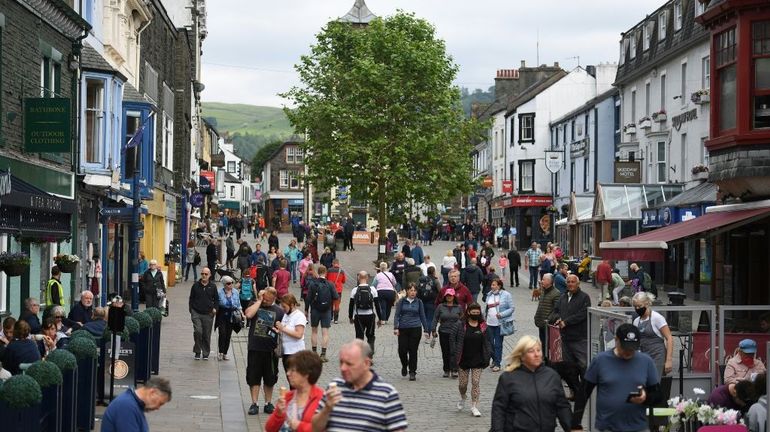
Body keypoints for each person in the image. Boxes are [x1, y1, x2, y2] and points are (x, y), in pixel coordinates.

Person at [311, 339, 408, 432]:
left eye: (349, 364)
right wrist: (327, 409)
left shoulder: (387, 394)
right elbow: (314, 428)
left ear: (366, 363)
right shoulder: (335, 387)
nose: (343, 368)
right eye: (341, 362)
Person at [583, 323, 662, 432]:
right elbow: (584, 392)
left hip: (638, 427)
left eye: (632, 348)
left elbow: (658, 395)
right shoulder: (600, 360)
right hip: (607, 428)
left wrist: (646, 398)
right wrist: (576, 423)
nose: (628, 352)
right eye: (625, 348)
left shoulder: (646, 361)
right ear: (616, 340)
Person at [490, 335, 571, 432]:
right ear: (522, 356)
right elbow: (499, 410)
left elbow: (562, 407)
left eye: (538, 350)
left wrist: (572, 428)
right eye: (531, 351)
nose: (536, 354)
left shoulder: (552, 376)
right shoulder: (508, 378)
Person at [244, 287, 285, 415]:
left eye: (267, 300)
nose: (265, 301)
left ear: (273, 299)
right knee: (253, 377)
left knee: (270, 378)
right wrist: (259, 300)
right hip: (255, 347)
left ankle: (268, 403)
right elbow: (248, 314)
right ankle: (254, 403)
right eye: (264, 298)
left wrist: (279, 331)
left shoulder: (279, 311)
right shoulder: (255, 304)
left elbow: (283, 328)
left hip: (270, 350)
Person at [265, 350, 324, 432]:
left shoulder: (321, 399)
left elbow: (321, 428)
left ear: (306, 374)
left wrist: (299, 426)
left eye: (293, 370)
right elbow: (269, 429)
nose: (288, 373)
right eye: (288, 370)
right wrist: (278, 413)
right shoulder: (288, 397)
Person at [451, 302, 491, 417]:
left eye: (477, 313)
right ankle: (463, 396)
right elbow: (452, 338)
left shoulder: (483, 326)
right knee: (463, 384)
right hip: (463, 358)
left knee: (476, 382)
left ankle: (474, 406)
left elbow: (488, 341)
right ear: (468, 312)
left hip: (478, 359)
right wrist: (454, 353)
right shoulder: (460, 324)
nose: (475, 314)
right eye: (473, 312)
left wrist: (488, 355)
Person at [550, 274, 591, 370]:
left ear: (578, 283)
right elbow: (555, 311)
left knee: (583, 365)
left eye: (573, 282)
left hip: (579, 338)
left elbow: (582, 314)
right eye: (568, 282)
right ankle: (573, 385)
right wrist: (558, 318)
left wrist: (566, 322)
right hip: (565, 337)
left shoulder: (584, 297)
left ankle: (584, 385)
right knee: (568, 366)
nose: (570, 284)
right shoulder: (563, 296)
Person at [101, 377, 172, 432]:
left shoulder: (132, 403)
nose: (158, 408)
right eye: (160, 403)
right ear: (152, 392)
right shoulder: (126, 406)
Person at [632, 292, 674, 378]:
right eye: (635, 306)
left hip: (657, 355)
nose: (637, 308)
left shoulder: (657, 318)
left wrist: (669, 360)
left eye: (639, 306)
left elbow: (669, 338)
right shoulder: (636, 321)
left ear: (647, 303)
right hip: (644, 356)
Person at [394, 283, 429, 381]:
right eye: (411, 290)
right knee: (402, 350)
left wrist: (426, 330)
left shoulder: (419, 302)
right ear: (407, 291)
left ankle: (412, 371)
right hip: (403, 328)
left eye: (414, 290)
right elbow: (397, 315)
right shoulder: (401, 301)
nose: (413, 292)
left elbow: (422, 316)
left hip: (415, 328)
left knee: (413, 351)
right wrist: (396, 327)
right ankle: (405, 365)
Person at [309, 266, 338, 362]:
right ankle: (323, 354)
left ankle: (314, 353)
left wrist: (306, 310)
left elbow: (308, 298)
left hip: (315, 310)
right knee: (325, 333)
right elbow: (336, 296)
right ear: (325, 272)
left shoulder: (313, 284)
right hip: (326, 310)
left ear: (318, 272)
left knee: (314, 332)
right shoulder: (330, 284)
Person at [349, 271, 383, 356]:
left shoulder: (354, 290)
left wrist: (351, 317)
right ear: (367, 278)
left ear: (358, 278)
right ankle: (369, 355)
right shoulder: (373, 290)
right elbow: (377, 305)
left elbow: (351, 305)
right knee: (371, 336)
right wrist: (380, 318)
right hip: (370, 316)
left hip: (358, 316)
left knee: (359, 337)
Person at [432, 289, 464, 378]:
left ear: (454, 296)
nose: (449, 297)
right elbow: (435, 318)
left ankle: (454, 369)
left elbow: (462, 319)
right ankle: (446, 369)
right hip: (444, 332)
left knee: (454, 351)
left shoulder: (459, 307)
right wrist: (433, 330)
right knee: (445, 351)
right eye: (447, 295)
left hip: (456, 332)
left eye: (451, 295)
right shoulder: (440, 306)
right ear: (445, 296)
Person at [484, 279, 514, 371]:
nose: (492, 287)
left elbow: (512, 308)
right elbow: (487, 308)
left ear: (499, 286)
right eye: (491, 285)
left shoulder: (506, 295)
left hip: (499, 324)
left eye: (494, 285)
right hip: (489, 323)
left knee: (498, 344)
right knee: (489, 344)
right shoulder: (489, 294)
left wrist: (502, 314)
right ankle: (494, 359)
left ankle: (497, 363)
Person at [189, 267, 218, 360]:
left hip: (208, 314)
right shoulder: (195, 286)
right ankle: (197, 351)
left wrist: (215, 309)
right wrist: (191, 310)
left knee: (206, 334)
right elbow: (191, 298)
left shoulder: (213, 286)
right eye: (202, 274)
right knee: (198, 331)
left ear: (209, 275)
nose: (204, 276)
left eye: (206, 274)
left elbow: (216, 299)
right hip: (196, 312)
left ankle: (205, 353)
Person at [275, 294, 307, 373]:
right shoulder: (286, 315)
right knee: (290, 379)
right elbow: (285, 330)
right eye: (282, 306)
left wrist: (283, 328)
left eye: (284, 307)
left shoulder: (299, 316)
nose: (283, 309)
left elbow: (299, 334)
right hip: (286, 352)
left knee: (296, 380)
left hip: (295, 353)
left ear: (292, 305)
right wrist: (278, 330)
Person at [215, 276, 244, 361]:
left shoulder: (235, 292)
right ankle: (220, 352)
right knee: (222, 334)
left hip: (232, 316)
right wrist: (231, 304)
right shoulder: (220, 292)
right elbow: (222, 303)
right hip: (222, 315)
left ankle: (225, 353)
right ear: (224, 284)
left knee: (228, 335)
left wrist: (242, 313)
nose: (230, 285)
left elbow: (238, 304)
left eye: (231, 282)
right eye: (228, 283)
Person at [534, 274, 560, 357]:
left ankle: (548, 362)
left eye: (543, 279)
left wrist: (548, 320)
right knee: (543, 344)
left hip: (548, 325)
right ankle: (544, 360)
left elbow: (556, 310)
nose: (542, 281)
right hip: (541, 323)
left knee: (548, 345)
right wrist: (536, 316)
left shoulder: (556, 293)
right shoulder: (544, 291)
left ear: (550, 281)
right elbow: (541, 305)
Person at [417, 266, 441, 344]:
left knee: (424, 318)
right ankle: (428, 335)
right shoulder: (435, 280)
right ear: (434, 272)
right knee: (430, 319)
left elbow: (418, 289)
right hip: (432, 302)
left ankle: (426, 332)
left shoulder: (421, 279)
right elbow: (440, 291)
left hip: (422, 301)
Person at [326, 259, 347, 324]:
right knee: (337, 305)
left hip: (330, 290)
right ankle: (336, 319)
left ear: (333, 263)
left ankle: (330, 317)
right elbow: (344, 281)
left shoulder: (329, 270)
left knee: (330, 304)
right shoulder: (341, 271)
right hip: (338, 290)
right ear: (338, 263)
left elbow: (326, 279)